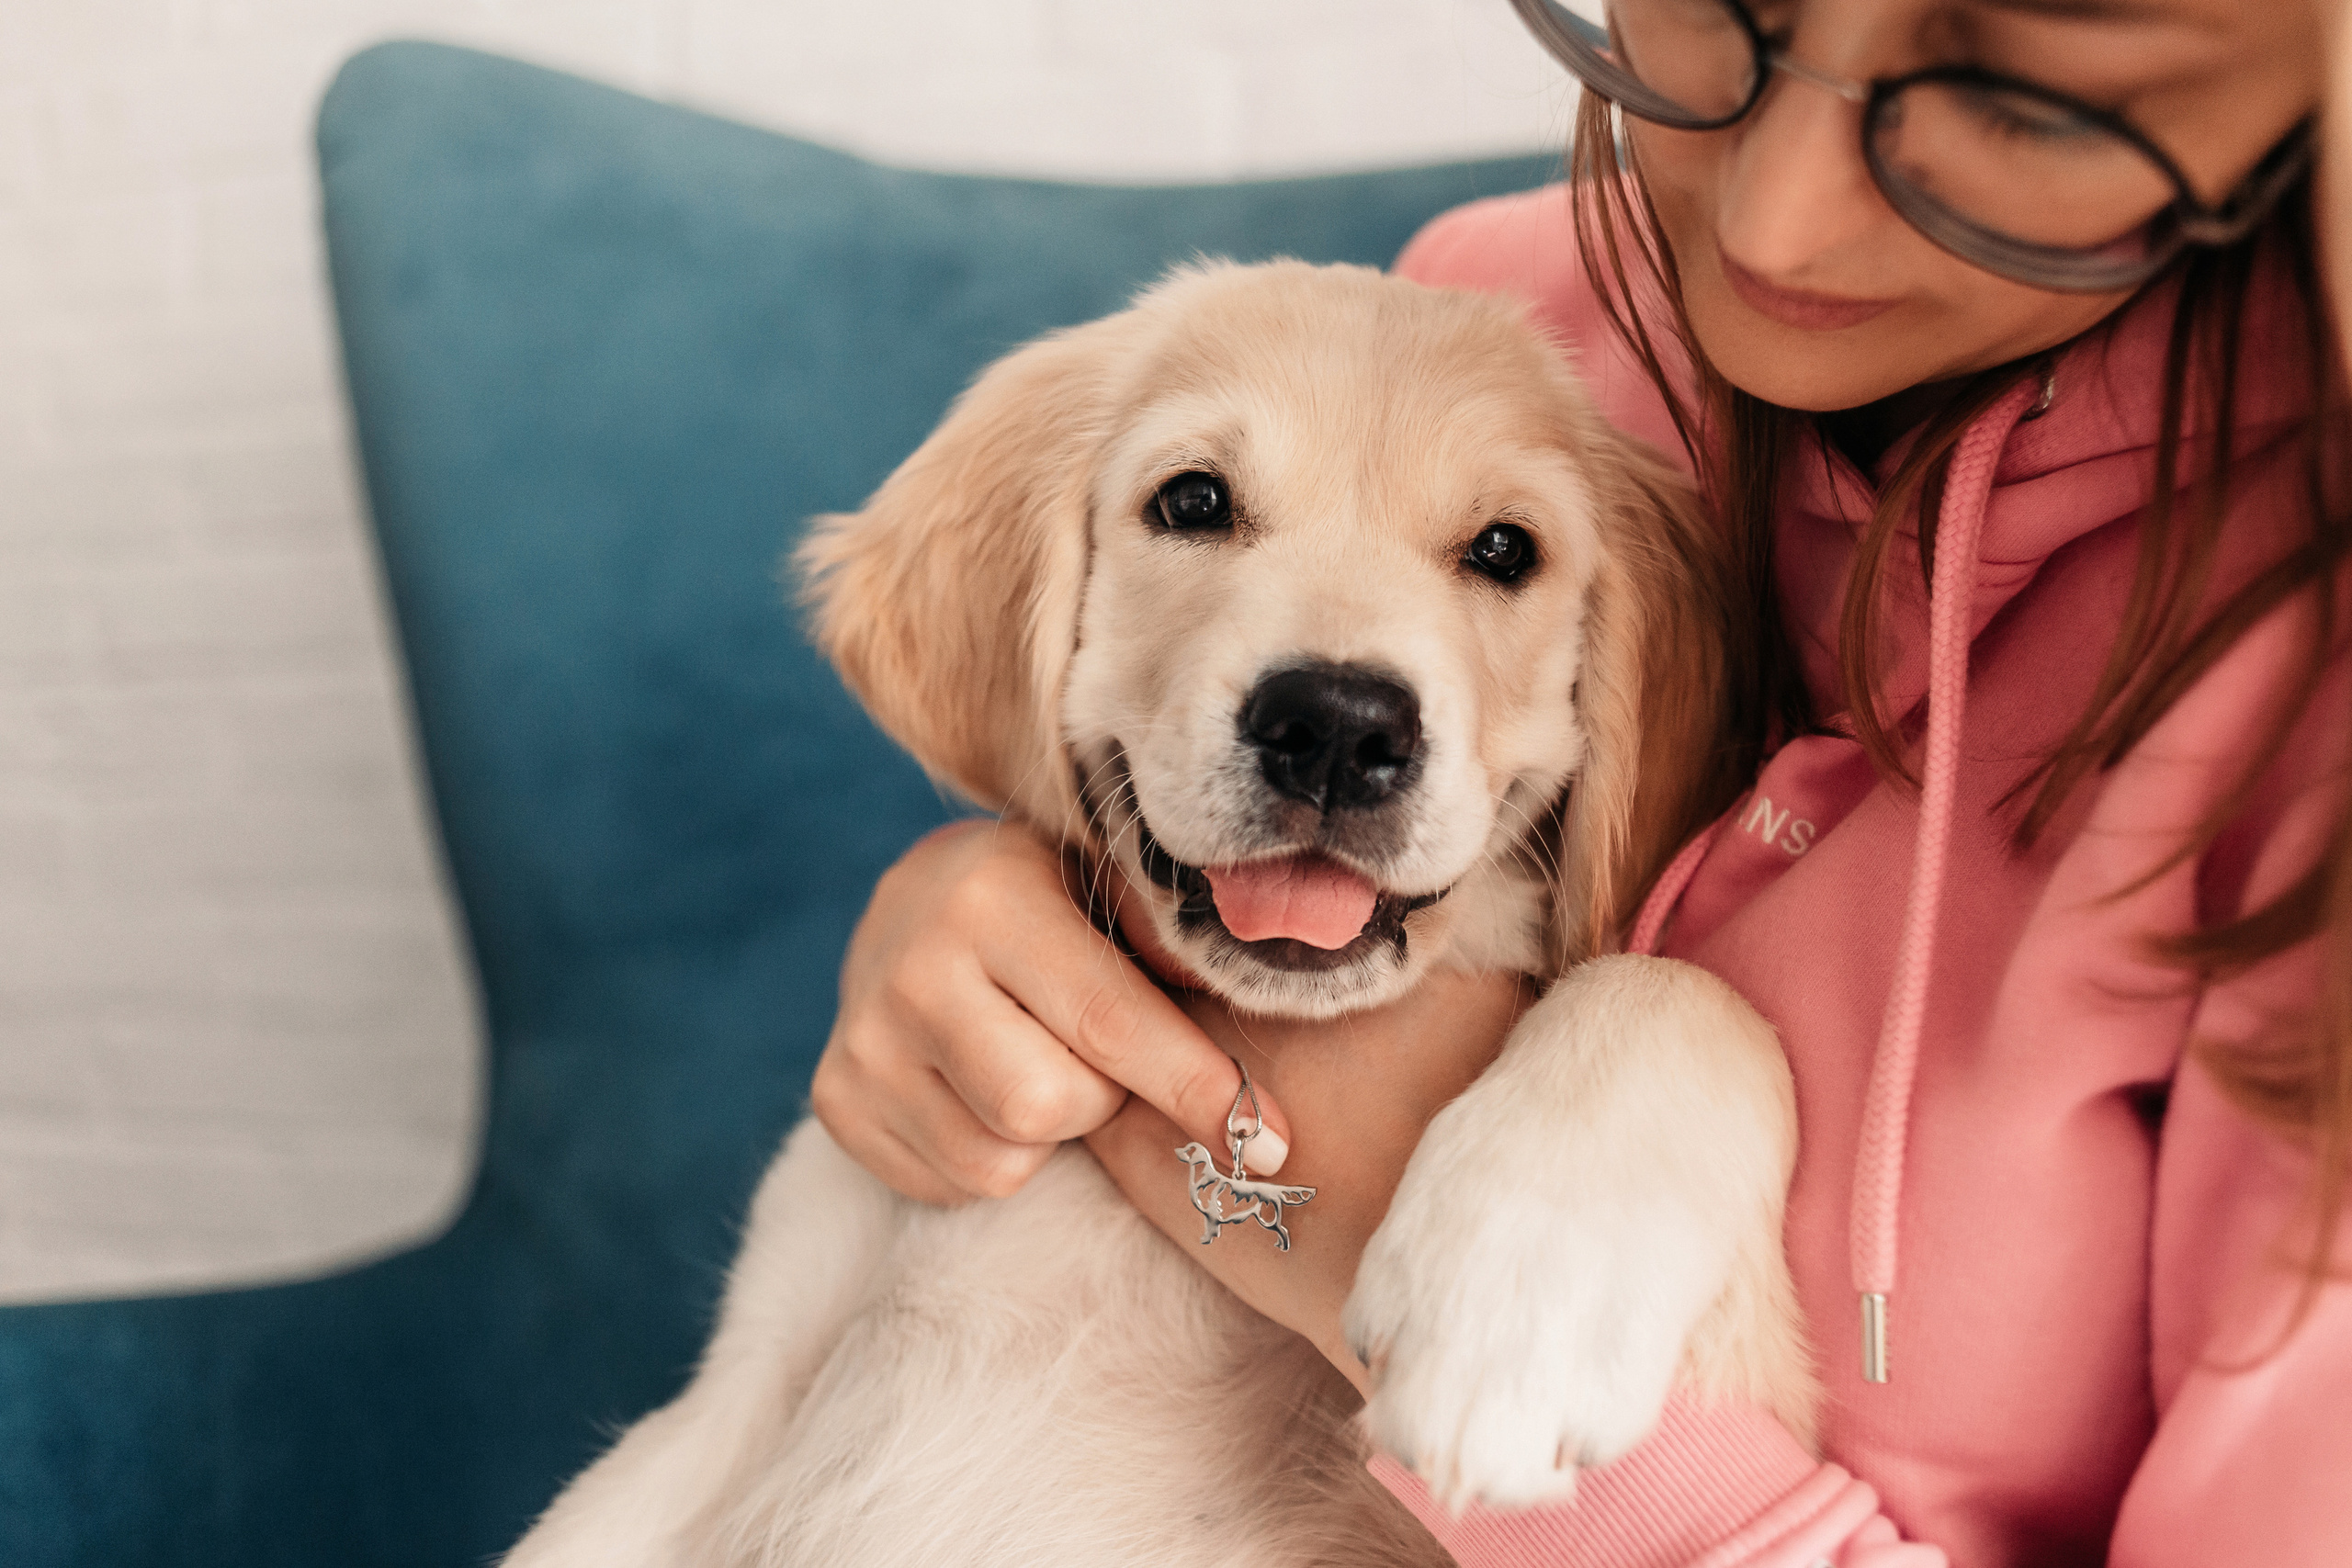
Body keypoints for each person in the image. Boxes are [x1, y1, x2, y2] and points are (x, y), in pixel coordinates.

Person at [808, 0, 2352, 1562]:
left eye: (2019, 98)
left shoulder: (2313, 728)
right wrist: (997, 903)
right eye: (1718, 5)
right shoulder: (1503, 317)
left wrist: (1412, 1289)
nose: (1775, 222)